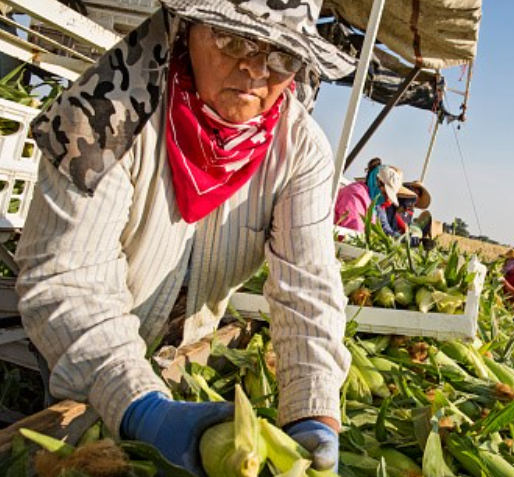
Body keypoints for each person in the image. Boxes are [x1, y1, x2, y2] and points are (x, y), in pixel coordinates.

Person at [15, 1, 355, 474]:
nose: (255, 69)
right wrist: (140, 406)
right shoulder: (103, 114)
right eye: (234, 40)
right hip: (89, 356)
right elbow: (66, 276)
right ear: (186, 30)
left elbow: (309, 290)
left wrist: (313, 413)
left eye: (282, 56)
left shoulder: (299, 152)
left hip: (186, 358)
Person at [334, 158, 410, 237]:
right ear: (377, 182)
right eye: (385, 193)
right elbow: (354, 231)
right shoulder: (355, 195)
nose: (386, 199)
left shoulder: (370, 202)